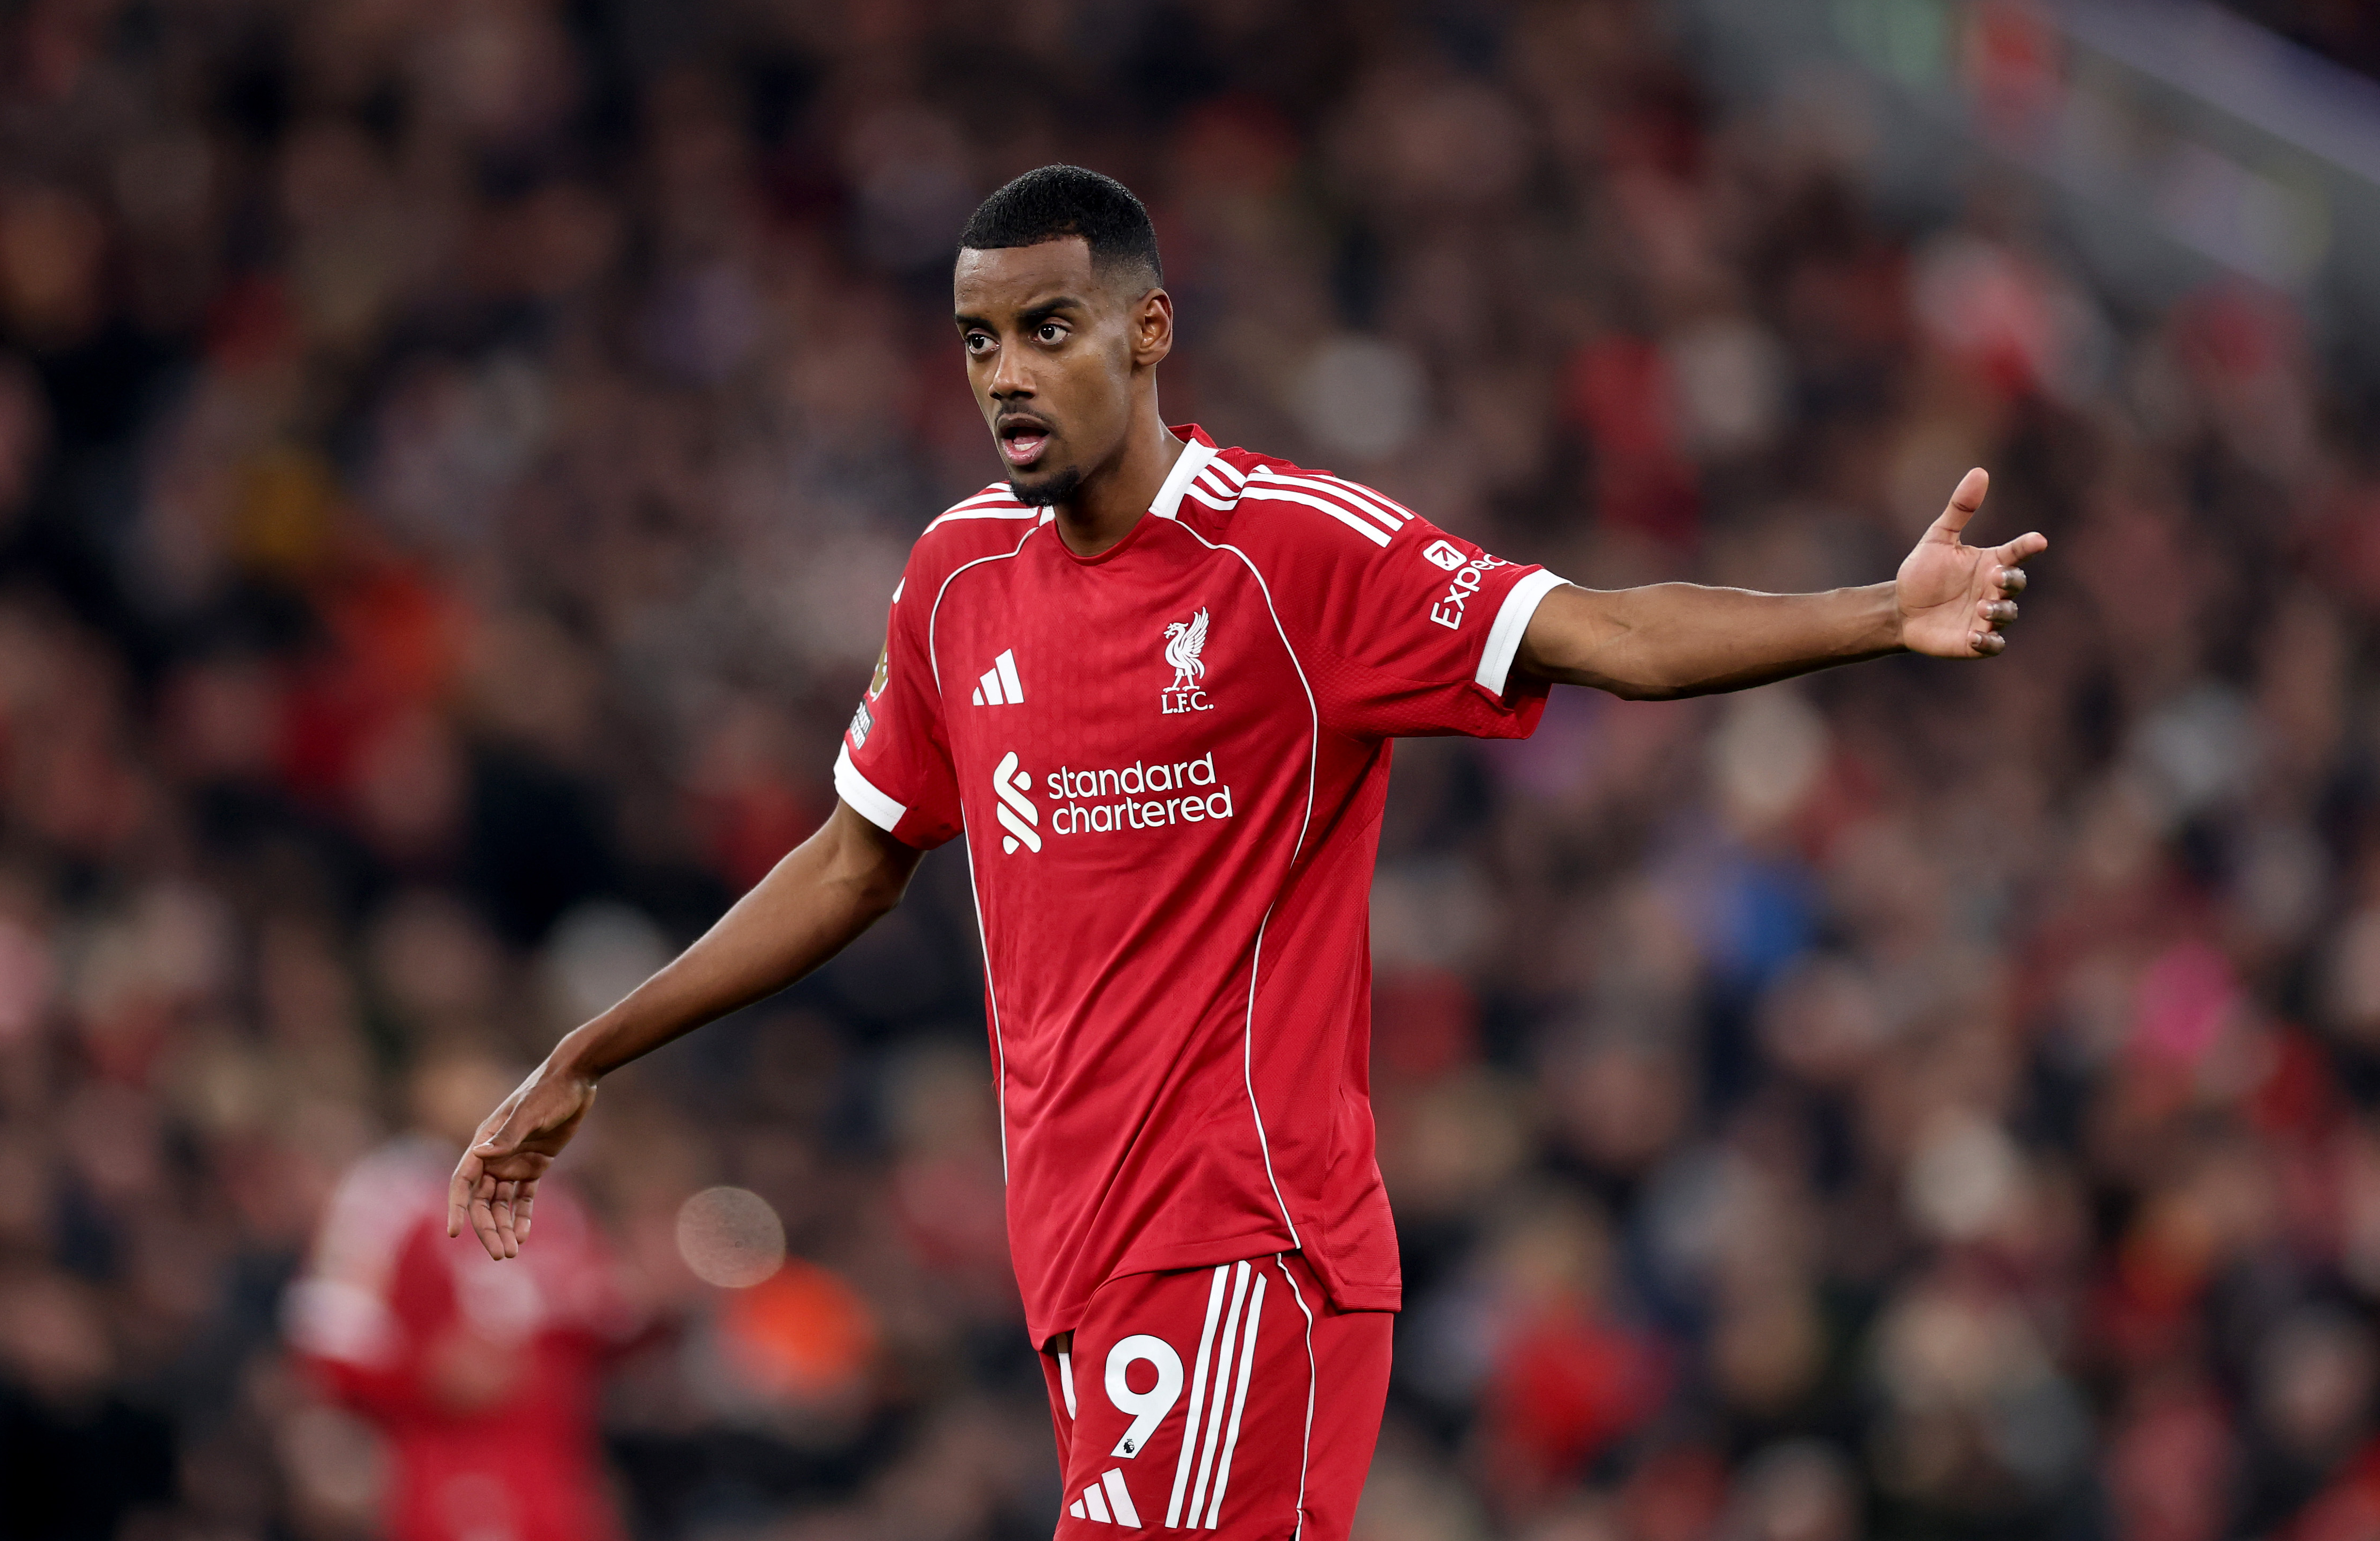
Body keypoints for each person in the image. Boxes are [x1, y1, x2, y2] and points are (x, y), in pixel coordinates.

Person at [446, 165, 2045, 1539]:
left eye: (1048, 328)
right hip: (1079, 1256)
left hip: (1239, 1239)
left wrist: (1876, 613)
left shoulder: (1289, 551)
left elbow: (1604, 633)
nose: (1007, 374)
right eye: (979, 341)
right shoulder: (954, 579)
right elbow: (852, 859)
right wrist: (589, 1052)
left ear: (1147, 329)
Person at [291, 1044, 645, 1541]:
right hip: (443, 1476)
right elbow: (329, 1343)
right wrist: (423, 1376)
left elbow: (604, 1318)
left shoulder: (554, 1202)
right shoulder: (382, 1198)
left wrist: (648, 1298)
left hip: (558, 1480)